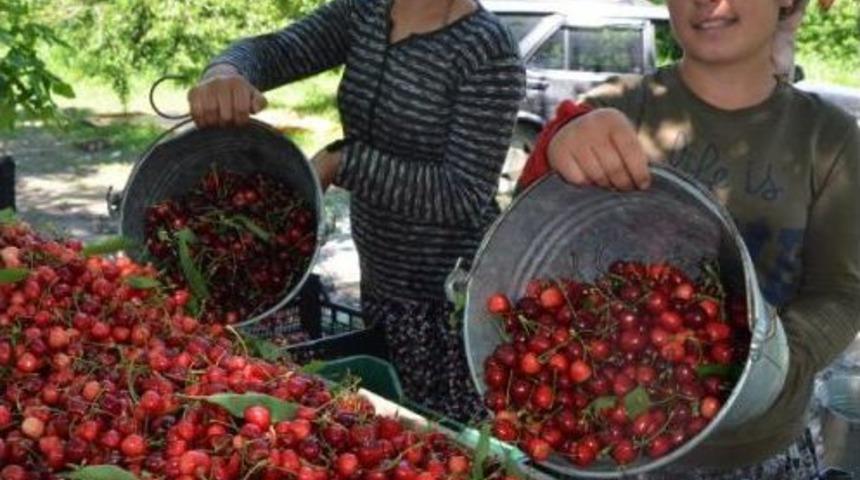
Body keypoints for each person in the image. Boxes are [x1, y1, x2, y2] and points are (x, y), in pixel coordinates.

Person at [517, 0, 860, 478]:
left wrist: (772, 365)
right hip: (621, 442)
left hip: (761, 449)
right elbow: (526, 242)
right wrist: (559, 142)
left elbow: (842, 292)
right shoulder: (616, 110)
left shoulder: (828, 139)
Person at [187, 0, 526, 421]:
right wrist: (226, 72)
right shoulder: (365, 12)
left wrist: (342, 161)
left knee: (437, 435)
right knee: (383, 424)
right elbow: (278, 50)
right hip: (380, 279)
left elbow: (463, 193)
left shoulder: (488, 50)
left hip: (447, 302)